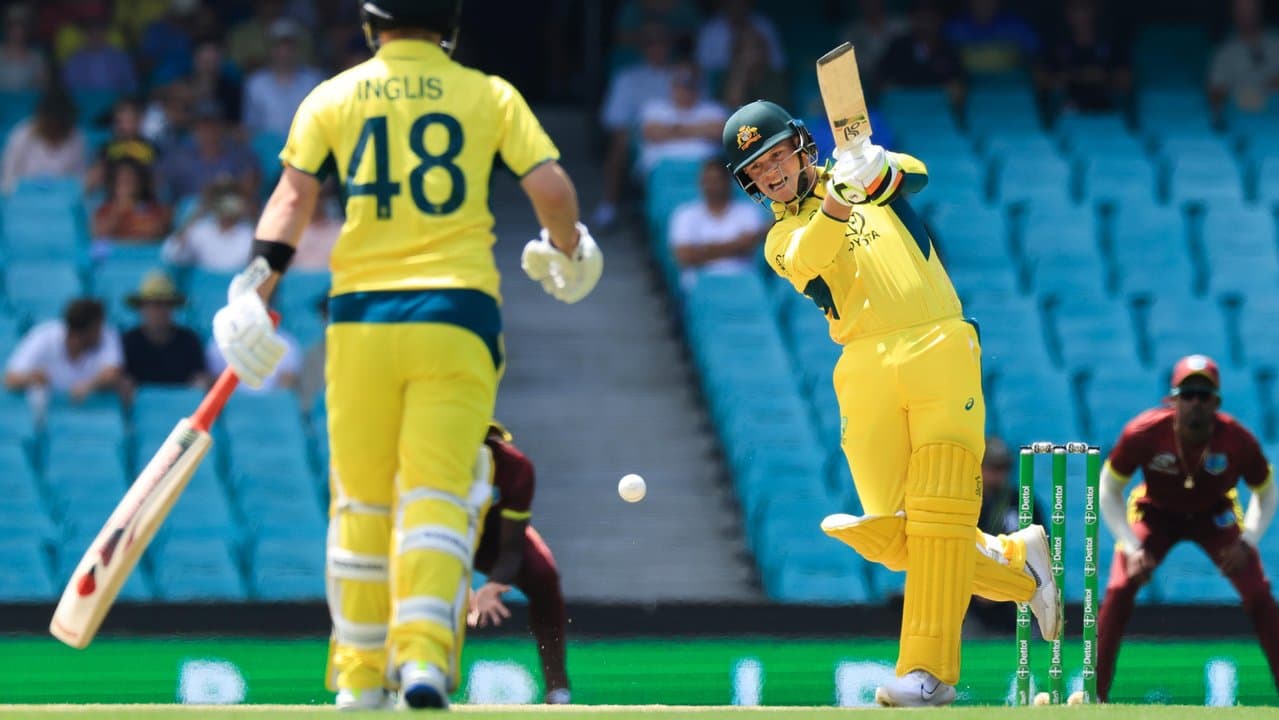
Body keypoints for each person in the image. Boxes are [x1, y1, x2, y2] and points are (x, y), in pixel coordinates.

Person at [205, 0, 601, 710]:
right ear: (449, 27)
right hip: (456, 315)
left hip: (362, 319)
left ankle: (360, 677)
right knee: (438, 495)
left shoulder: (334, 96)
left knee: (361, 499)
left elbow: (292, 200)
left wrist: (252, 290)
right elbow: (550, 188)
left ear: (370, 26)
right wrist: (568, 250)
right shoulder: (488, 94)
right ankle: (421, 661)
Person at [720, 99, 1058, 706]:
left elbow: (916, 173)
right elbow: (810, 257)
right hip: (863, 365)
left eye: (776, 156)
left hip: (937, 343)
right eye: (757, 168)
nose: (770, 172)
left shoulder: (864, 178)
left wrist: (872, 167)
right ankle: (1014, 563)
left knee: (937, 513)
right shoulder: (780, 238)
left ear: (800, 146)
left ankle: (928, 674)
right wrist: (839, 198)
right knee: (895, 535)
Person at [1095, 354, 1279, 702]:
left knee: (1259, 594)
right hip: (1155, 513)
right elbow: (1108, 488)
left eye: (1204, 395)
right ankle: (1094, 695)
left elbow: (1267, 491)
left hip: (1215, 515)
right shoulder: (1143, 433)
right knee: (1119, 589)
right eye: (1188, 394)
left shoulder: (1237, 440)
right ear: (1172, 400)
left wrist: (1248, 541)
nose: (1196, 402)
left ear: (1216, 402)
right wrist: (1132, 546)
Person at [467, 423, 571, 705]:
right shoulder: (436, 459)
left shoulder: (515, 467)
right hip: (442, 536)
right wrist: (458, 585)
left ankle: (558, 688)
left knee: (544, 575)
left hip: (494, 539)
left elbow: (512, 546)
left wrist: (493, 585)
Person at [4, 298, 122, 411]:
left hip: (90, 414)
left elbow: (112, 373)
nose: (101, 332)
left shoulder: (107, 334)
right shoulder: (42, 336)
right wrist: (32, 378)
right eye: (97, 328)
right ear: (82, 332)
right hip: (47, 414)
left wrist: (89, 386)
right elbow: (9, 380)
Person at [668, 156, 766, 292]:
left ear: (728, 181)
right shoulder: (685, 214)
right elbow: (684, 256)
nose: (711, 186)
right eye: (707, 181)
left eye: (716, 180)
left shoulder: (748, 210)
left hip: (743, 281)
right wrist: (736, 245)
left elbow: (749, 246)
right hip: (700, 284)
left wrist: (704, 250)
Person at [120, 271, 208, 391]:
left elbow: (200, 379)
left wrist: (202, 383)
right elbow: (121, 379)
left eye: (168, 304)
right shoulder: (128, 342)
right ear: (141, 307)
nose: (161, 310)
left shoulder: (190, 341)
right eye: (155, 304)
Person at [0, 87, 87, 194]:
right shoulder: (21, 135)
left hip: (62, 199)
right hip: (23, 198)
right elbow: (6, 179)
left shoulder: (77, 137)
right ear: (41, 118)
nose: (53, 128)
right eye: (50, 124)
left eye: (58, 125)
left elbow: (79, 181)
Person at [1208, 0, 1279, 115]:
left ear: (1259, 10)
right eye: (1241, 9)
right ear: (1233, 13)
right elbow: (1216, 91)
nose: (1246, 14)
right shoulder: (1224, 53)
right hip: (1242, 115)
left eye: (1250, 8)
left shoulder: (1276, 43)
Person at [91, 158, 172, 244]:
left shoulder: (155, 209)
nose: (127, 183)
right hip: (118, 251)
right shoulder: (105, 210)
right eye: (122, 179)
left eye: (131, 178)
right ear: (114, 183)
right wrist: (118, 210)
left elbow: (159, 231)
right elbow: (100, 234)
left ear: (140, 181)